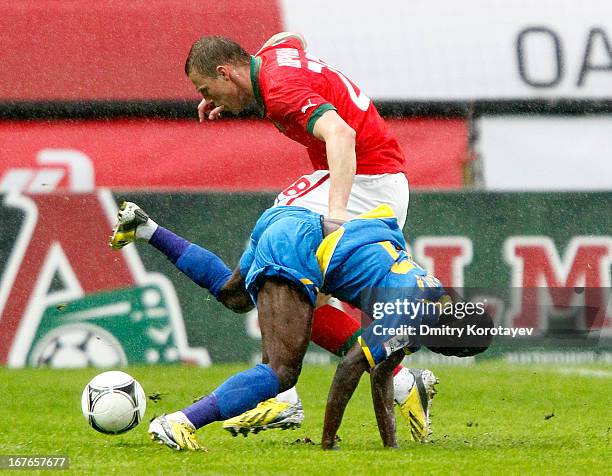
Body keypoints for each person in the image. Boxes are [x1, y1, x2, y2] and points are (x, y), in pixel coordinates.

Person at [183, 31, 433, 440]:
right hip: (374, 175)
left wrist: (335, 213)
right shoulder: (272, 60)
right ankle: (405, 383)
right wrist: (224, 88)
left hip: (368, 180)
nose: (209, 99)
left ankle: (282, 396)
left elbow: (342, 135)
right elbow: (290, 37)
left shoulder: (280, 89)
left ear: (226, 73)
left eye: (206, 89)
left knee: (278, 237)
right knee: (304, 303)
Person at [109, 202, 491, 450]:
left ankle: (146, 228)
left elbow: (382, 374)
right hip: (297, 247)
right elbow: (350, 368)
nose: (448, 353)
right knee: (282, 372)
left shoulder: (438, 299)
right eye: (456, 350)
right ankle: (179, 423)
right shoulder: (410, 313)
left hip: (288, 220)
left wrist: (390, 448)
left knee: (233, 294)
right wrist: (328, 443)